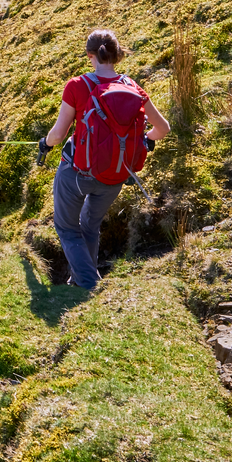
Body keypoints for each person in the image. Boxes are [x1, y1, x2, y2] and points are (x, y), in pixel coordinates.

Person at [37, 29, 169, 289]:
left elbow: (58, 134)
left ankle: (88, 284)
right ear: (117, 56)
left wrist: (45, 143)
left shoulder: (78, 85)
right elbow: (163, 128)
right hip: (115, 175)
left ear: (90, 55)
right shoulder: (133, 87)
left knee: (66, 227)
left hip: (77, 173)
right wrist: (146, 141)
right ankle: (80, 278)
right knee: (89, 225)